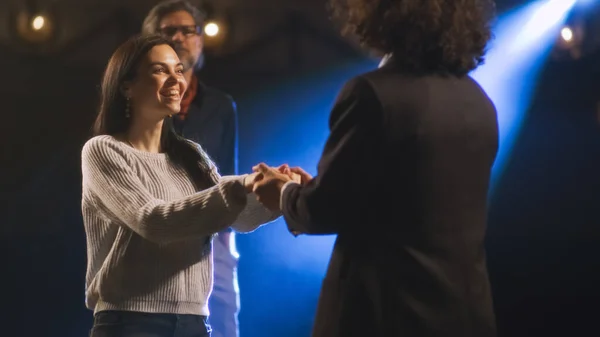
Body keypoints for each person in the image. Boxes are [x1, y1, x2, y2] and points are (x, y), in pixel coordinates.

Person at [251, 0, 499, 336]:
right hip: (464, 315)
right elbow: (414, 202)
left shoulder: (372, 94)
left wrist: (283, 191)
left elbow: (323, 211)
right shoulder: (478, 101)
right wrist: (320, 187)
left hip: (385, 316)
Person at [81, 34, 280, 337]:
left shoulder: (191, 155)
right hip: (129, 323)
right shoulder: (103, 150)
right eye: (160, 70)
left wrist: (279, 192)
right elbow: (153, 220)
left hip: (193, 322)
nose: (176, 79)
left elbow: (238, 217)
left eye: (179, 69)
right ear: (126, 86)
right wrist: (243, 186)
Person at [141, 3, 241, 336]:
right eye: (169, 31)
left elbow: (227, 172)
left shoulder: (221, 106)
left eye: (189, 30)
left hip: (211, 234)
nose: (180, 38)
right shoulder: (138, 103)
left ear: (201, 39)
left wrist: (226, 242)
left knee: (224, 316)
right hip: (156, 231)